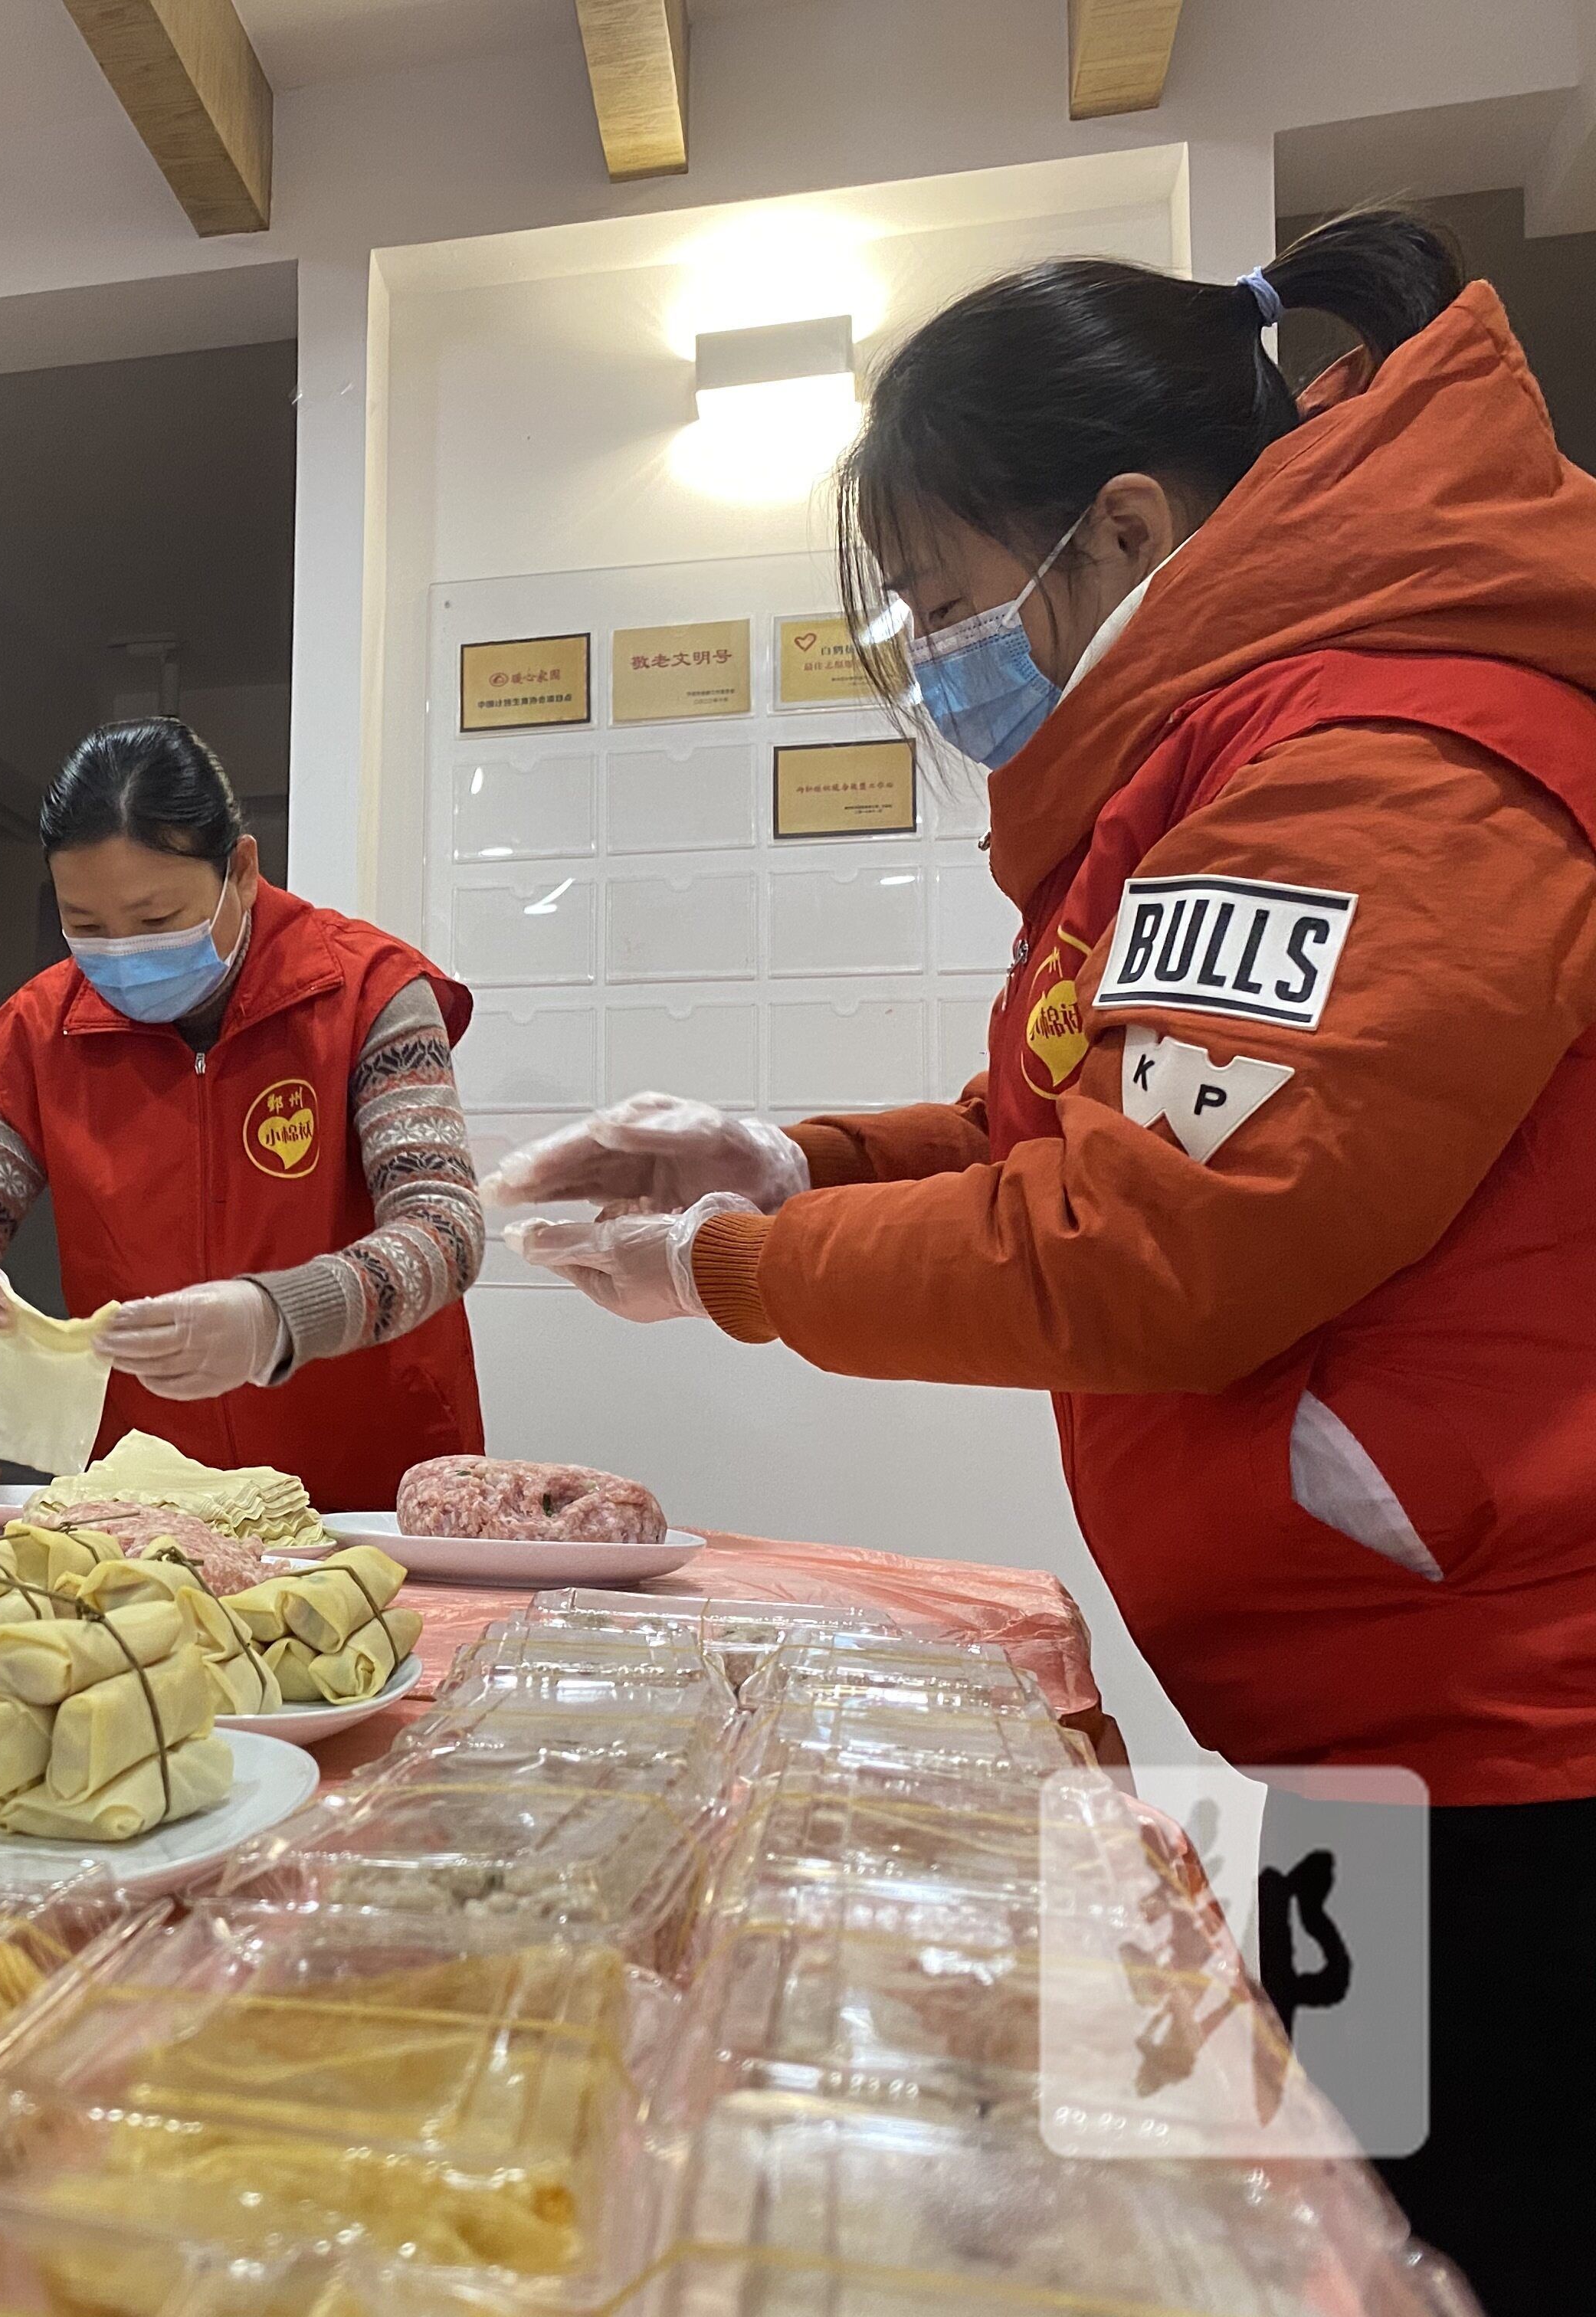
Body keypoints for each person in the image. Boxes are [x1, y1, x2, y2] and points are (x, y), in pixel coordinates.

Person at [493, 212, 1595, 2312]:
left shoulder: (1374, 765)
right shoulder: (1216, 767)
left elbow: (1159, 1242)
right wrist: (785, 1161)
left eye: (940, 605)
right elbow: (1067, 1132)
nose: (935, 659)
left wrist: (746, 1264)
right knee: (1302, 2207)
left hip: (1511, 1748)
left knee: (1424, 2249)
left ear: (1118, 527)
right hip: (1350, 1709)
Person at [0, 719, 485, 1508]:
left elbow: (445, 1228)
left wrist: (275, 1317)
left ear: (240, 870)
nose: (121, 953)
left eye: (157, 920)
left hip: (371, 1488)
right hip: (148, 1496)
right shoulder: (41, 1031)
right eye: (87, 927)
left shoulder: (368, 994)